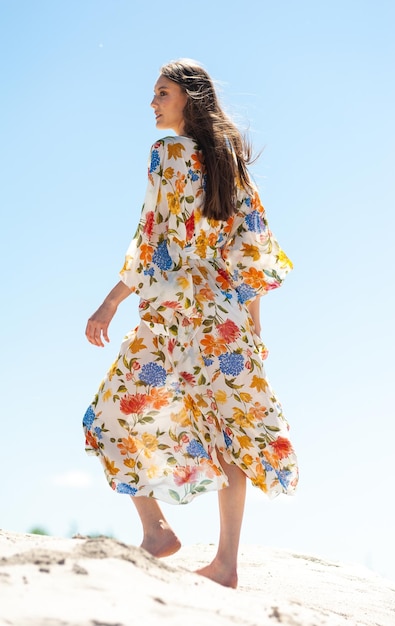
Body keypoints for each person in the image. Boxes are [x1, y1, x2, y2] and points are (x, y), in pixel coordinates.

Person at [84, 59, 298, 588]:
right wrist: (252, 326)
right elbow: (254, 249)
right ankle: (226, 563)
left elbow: (153, 239)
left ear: (189, 99)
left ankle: (156, 530)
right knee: (228, 431)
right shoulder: (229, 161)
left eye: (162, 93)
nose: (153, 103)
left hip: (178, 314)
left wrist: (110, 302)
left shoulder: (166, 154)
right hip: (224, 316)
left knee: (109, 416)